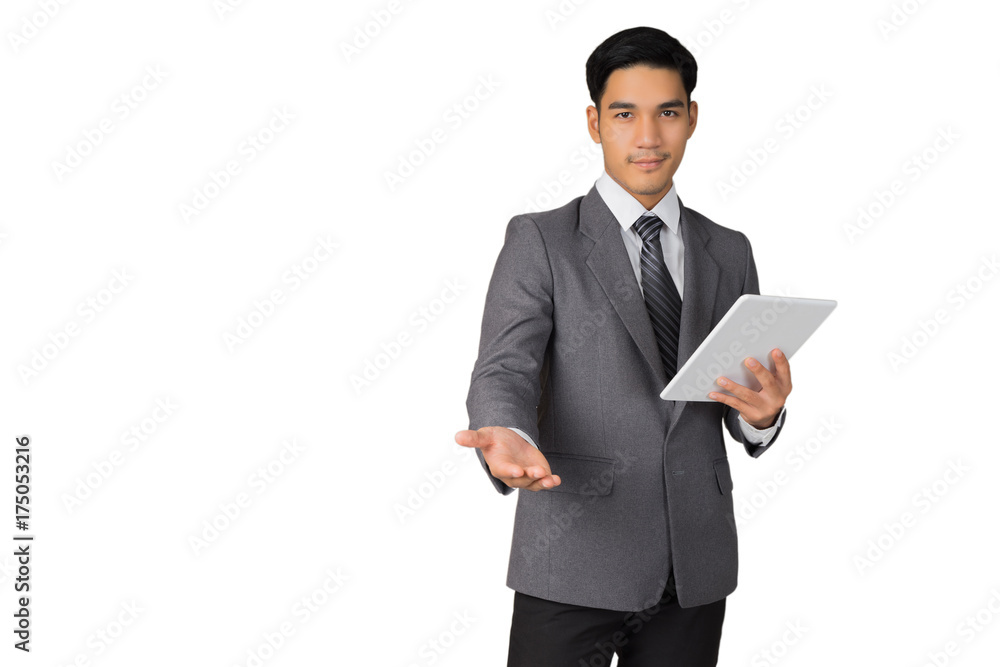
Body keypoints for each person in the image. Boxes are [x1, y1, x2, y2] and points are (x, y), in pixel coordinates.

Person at [455, 26, 792, 667]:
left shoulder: (730, 250)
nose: (647, 136)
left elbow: (736, 391)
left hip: (694, 562)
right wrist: (501, 427)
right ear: (593, 123)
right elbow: (507, 365)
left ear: (691, 119)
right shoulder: (541, 241)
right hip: (574, 557)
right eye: (624, 114)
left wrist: (762, 417)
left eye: (667, 112)